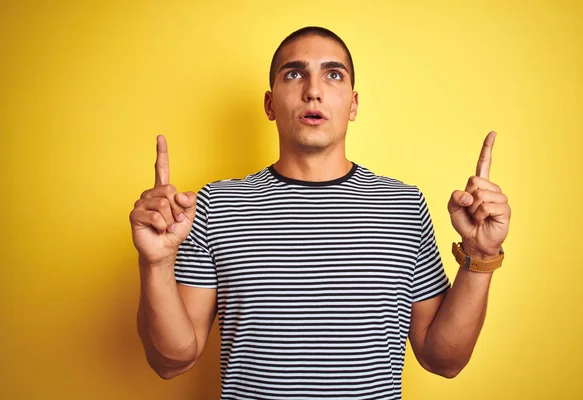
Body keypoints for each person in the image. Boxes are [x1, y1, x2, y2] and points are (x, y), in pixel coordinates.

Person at [130, 26, 511, 399]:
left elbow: (444, 360)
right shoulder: (217, 205)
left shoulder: (403, 206)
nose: (313, 91)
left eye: (333, 75)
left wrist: (480, 256)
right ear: (269, 103)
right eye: (294, 74)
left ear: (354, 104)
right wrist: (157, 264)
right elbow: (171, 362)